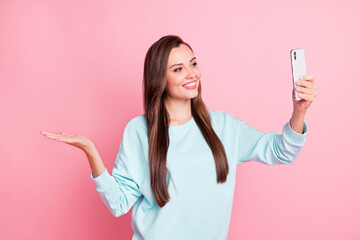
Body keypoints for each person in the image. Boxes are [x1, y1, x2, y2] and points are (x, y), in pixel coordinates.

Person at [40, 35, 317, 240]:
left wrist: (299, 110)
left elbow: (282, 151)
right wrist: (91, 152)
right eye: (178, 69)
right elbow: (118, 204)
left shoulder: (224, 127)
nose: (191, 74)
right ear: (160, 78)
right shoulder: (139, 131)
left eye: (193, 63)